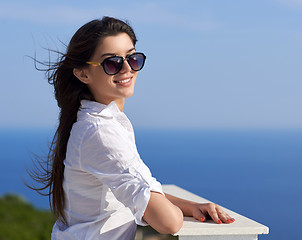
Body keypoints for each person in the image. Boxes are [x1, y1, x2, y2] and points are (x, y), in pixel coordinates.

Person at [29, 16, 235, 240]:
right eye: (112, 62)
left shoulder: (95, 122)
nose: (127, 68)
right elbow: (169, 222)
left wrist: (190, 206)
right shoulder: (100, 131)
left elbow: (134, 192)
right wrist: (173, 210)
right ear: (82, 73)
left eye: (132, 57)